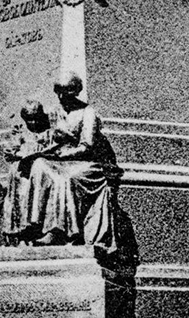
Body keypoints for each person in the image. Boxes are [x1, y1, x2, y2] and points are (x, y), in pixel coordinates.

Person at [13, 74, 118, 250]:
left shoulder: (88, 113)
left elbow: (87, 147)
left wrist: (63, 155)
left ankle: (57, 230)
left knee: (63, 178)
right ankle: (32, 226)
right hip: (60, 160)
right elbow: (39, 132)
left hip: (85, 163)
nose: (61, 97)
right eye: (59, 92)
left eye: (67, 92)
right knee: (39, 164)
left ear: (76, 91)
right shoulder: (56, 112)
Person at [2, 101, 52, 242]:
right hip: (23, 170)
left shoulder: (48, 130)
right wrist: (22, 154)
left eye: (37, 118)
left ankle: (41, 229)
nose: (34, 122)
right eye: (30, 119)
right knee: (23, 192)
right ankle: (24, 233)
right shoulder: (20, 131)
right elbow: (9, 151)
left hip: (43, 169)